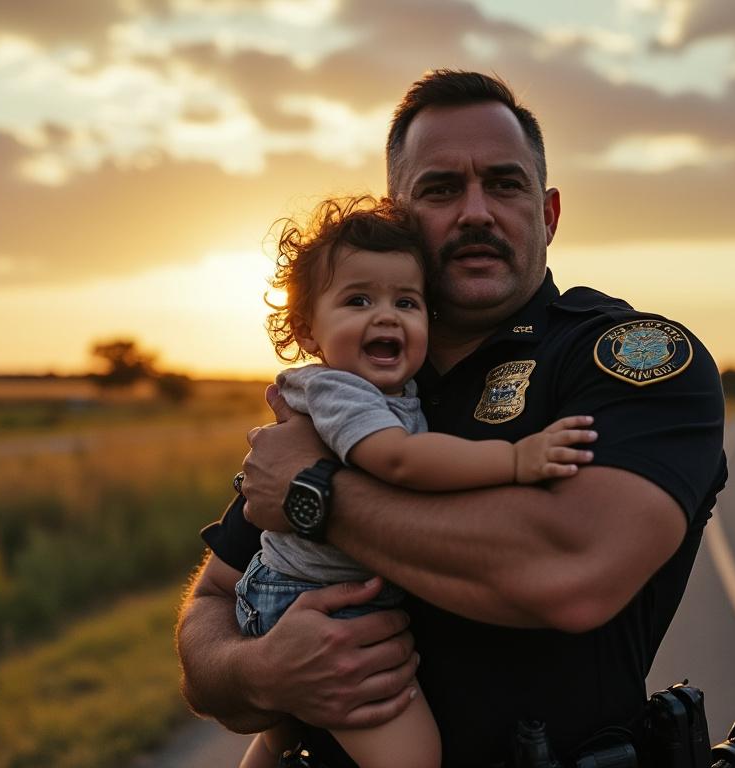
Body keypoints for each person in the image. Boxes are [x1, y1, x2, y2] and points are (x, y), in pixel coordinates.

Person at [176, 70, 727, 767]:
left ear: (548, 213)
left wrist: (317, 494)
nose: (475, 212)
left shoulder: (623, 356)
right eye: (440, 190)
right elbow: (217, 608)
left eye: (504, 183)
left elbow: (572, 571)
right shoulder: (358, 379)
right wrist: (260, 672)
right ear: (399, 218)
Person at [236, 195, 598, 768]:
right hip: (312, 600)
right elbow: (399, 460)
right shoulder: (339, 391)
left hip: (315, 591)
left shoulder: (391, 390)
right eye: (358, 300)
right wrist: (516, 460)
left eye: (406, 301)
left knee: (289, 732)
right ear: (307, 331)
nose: (386, 316)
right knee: (412, 756)